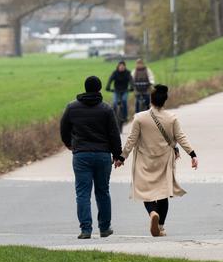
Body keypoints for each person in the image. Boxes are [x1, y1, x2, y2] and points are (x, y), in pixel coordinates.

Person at [121, 84, 197, 237]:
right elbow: (181, 137)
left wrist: (122, 156)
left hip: (144, 160)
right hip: (164, 161)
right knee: (163, 192)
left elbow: (131, 140)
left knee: (145, 192)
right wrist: (192, 154)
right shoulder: (172, 118)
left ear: (151, 99)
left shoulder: (140, 118)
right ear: (164, 101)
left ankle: (152, 213)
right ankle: (160, 226)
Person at [59, 75, 122, 240]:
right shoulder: (106, 109)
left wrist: (68, 143)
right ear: (99, 89)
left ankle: (86, 230)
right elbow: (114, 134)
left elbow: (63, 128)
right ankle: (104, 228)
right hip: (102, 155)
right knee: (103, 191)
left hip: (81, 155)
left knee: (82, 193)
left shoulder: (72, 108)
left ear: (85, 88)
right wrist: (118, 155)